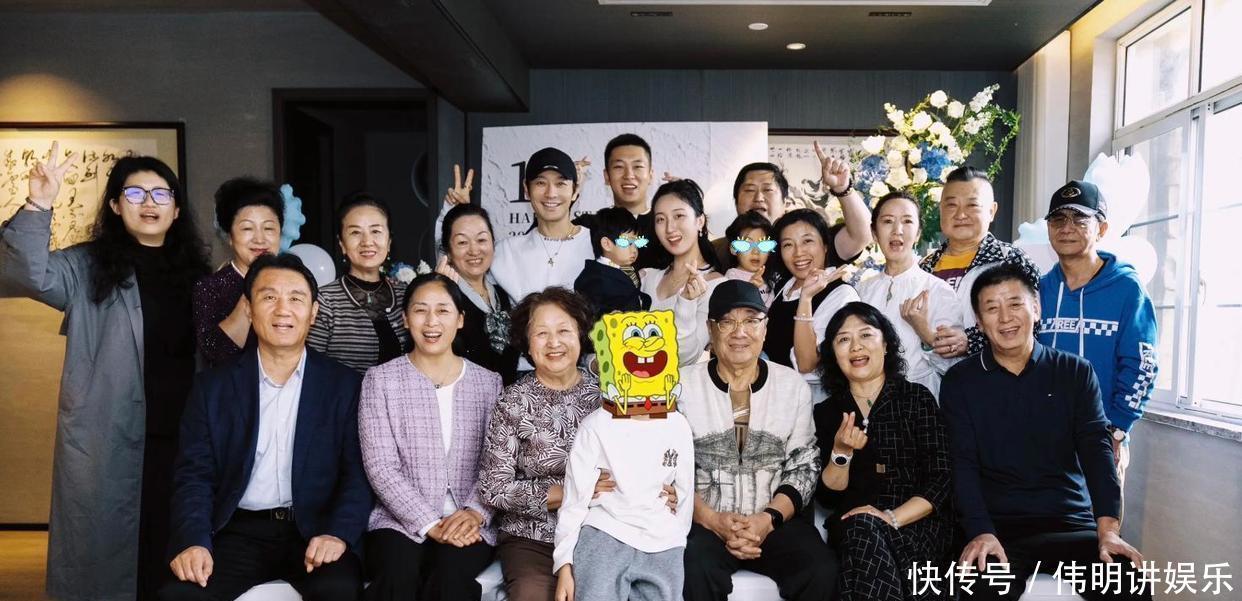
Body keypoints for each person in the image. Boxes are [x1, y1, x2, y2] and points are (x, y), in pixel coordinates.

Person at [1, 145, 211, 601]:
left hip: (182, 436)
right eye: (134, 193)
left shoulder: (198, 276)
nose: (149, 202)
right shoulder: (85, 266)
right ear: (115, 205)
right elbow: (21, 274)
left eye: (161, 194)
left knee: (173, 548)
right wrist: (39, 203)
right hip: (106, 438)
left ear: (177, 209)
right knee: (102, 555)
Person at [161, 253, 372, 601]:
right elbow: (194, 475)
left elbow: (358, 475)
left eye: (296, 299)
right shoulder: (212, 388)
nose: (283, 309)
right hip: (237, 530)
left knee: (337, 589)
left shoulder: (345, 386)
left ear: (314, 313)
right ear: (248, 308)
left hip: (314, 530)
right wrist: (193, 540)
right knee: (180, 595)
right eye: (269, 297)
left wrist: (338, 533)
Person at [941, 264, 1150, 601]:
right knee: (978, 589)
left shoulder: (1075, 372)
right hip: (998, 529)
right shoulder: (961, 381)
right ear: (979, 322)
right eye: (992, 308)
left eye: (1015, 304)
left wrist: (1108, 530)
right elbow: (961, 463)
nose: (1005, 318)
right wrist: (980, 530)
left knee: (1127, 580)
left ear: (1036, 308)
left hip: (1070, 524)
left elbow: (1097, 454)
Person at [680, 280, 837, 601]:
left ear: (765, 328)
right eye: (727, 322)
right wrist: (712, 520)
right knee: (692, 566)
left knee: (820, 570)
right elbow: (669, 469)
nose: (740, 332)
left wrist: (768, 519)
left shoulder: (791, 386)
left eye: (751, 320)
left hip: (774, 521)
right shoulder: (682, 387)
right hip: (705, 522)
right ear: (711, 329)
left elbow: (804, 467)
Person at [358, 273, 501, 601]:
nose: (431, 321)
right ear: (406, 319)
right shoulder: (381, 381)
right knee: (397, 574)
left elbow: (497, 464)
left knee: (451, 578)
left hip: (469, 519)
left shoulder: (488, 383)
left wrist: (475, 512)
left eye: (443, 310)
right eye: (421, 310)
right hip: (398, 521)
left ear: (460, 319)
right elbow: (381, 466)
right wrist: (428, 523)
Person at [814, 302, 953, 601]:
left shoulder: (916, 398)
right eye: (843, 339)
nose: (856, 347)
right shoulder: (827, 412)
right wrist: (841, 453)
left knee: (863, 544)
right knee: (860, 531)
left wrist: (890, 517)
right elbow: (827, 498)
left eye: (866, 335)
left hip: (916, 525)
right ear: (833, 354)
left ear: (886, 344)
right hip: (854, 529)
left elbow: (941, 479)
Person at [552, 316, 695, 601]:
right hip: (604, 534)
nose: (644, 348)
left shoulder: (678, 425)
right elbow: (574, 500)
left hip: (663, 543)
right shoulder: (596, 425)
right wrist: (564, 563)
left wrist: (676, 535)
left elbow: (685, 493)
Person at [1039, 181, 1157, 488]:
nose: (1067, 228)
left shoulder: (1127, 288)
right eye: (1058, 219)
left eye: (1080, 219)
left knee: (1100, 519)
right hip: (1041, 441)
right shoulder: (1039, 290)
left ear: (1102, 229)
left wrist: (1118, 427)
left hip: (1101, 440)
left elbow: (1143, 365)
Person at [919, 166, 1040, 357]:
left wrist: (971, 341)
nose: (960, 215)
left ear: (991, 211)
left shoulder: (1011, 261)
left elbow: (1036, 324)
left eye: (972, 205)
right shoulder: (924, 267)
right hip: (928, 374)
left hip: (994, 371)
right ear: (940, 210)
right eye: (951, 205)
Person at [857, 192, 963, 399]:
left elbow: (954, 366)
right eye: (888, 221)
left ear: (918, 234)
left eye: (907, 221)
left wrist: (925, 332)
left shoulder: (938, 290)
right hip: (868, 401)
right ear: (875, 233)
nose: (897, 230)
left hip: (919, 403)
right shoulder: (862, 291)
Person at [712, 145, 871, 271]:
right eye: (749, 190)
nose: (758, 197)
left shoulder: (808, 241)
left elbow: (860, 237)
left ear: (785, 202)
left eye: (768, 190)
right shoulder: (718, 250)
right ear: (736, 202)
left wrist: (842, 189)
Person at [308, 192, 411, 373]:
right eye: (355, 232)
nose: (367, 241)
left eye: (376, 231)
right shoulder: (325, 301)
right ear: (342, 244)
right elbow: (311, 367)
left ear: (389, 242)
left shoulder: (406, 295)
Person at [766, 208, 860, 401]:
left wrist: (806, 298)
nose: (798, 253)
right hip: (774, 395)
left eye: (807, 241)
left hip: (813, 403)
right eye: (788, 245)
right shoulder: (784, 286)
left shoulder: (841, 295)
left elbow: (806, 364)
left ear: (825, 245)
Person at [193, 177, 284, 366]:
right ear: (229, 236)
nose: (260, 239)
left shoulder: (293, 282)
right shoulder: (210, 288)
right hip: (232, 382)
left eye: (268, 228)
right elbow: (216, 353)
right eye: (247, 228)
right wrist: (253, 289)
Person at [490, 148, 595, 301]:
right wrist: (461, 214)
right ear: (526, 189)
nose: (551, 193)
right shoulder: (505, 252)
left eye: (560, 183)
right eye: (541, 183)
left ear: (575, 190)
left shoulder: (597, 245)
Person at [641, 179, 726, 366]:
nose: (669, 228)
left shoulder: (716, 286)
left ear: (700, 221)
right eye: (660, 219)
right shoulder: (646, 277)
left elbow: (685, 358)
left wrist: (686, 303)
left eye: (679, 216)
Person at [437, 203, 522, 384]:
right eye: (462, 242)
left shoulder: (503, 294)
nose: (474, 250)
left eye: (481, 240)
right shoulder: (444, 299)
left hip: (506, 399)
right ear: (448, 252)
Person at [573, 206, 651, 320]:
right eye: (627, 243)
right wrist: (606, 315)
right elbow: (588, 309)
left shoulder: (629, 269)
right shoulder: (593, 278)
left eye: (636, 243)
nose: (634, 250)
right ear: (606, 244)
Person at [722, 210, 776, 307]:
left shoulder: (771, 279)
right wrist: (750, 290)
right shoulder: (732, 277)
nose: (756, 251)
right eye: (747, 244)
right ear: (734, 249)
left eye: (763, 245)